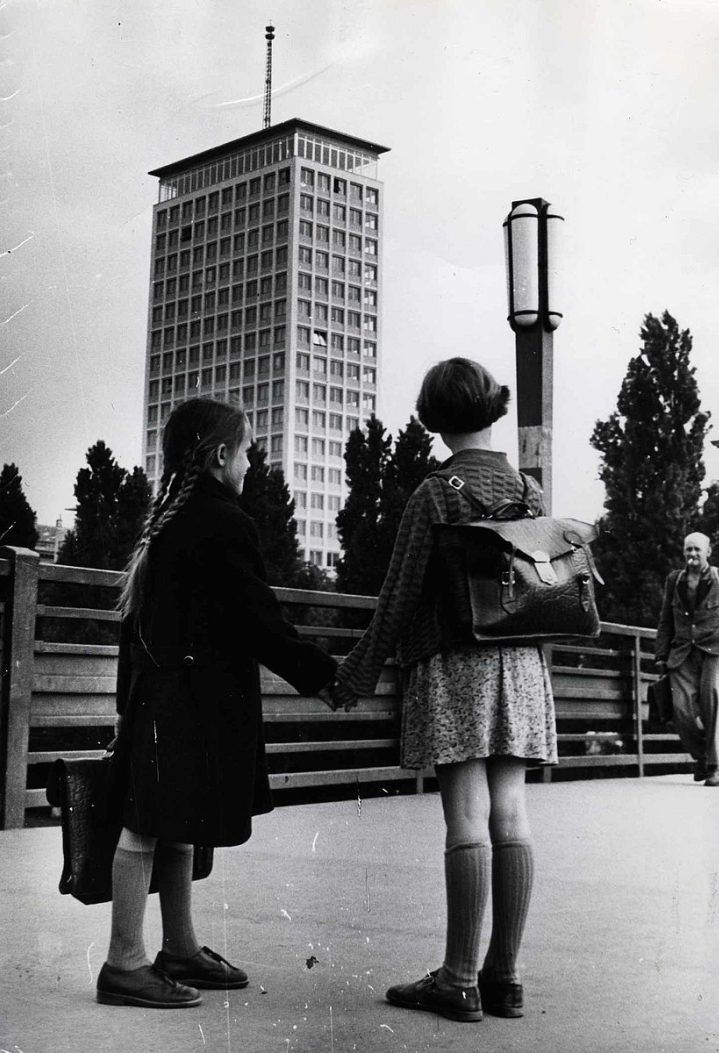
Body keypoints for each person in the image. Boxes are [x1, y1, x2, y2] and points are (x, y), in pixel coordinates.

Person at [333, 357, 557, 1024]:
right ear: (492, 408)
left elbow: (398, 595)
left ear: (431, 419)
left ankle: (457, 978)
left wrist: (357, 670)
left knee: (466, 814)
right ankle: (504, 977)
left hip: (453, 663)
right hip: (518, 666)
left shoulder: (435, 491)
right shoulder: (530, 490)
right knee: (511, 810)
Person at [96, 397, 339, 1009]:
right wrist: (325, 676)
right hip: (188, 697)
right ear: (221, 455)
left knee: (169, 818)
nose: (253, 463)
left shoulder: (169, 520)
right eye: (249, 451)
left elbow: (135, 626)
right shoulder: (222, 521)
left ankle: (178, 947)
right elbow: (259, 621)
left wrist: (128, 705)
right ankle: (124, 961)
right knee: (147, 824)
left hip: (161, 693)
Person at [655, 531, 719, 787]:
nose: (692, 554)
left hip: (714, 650)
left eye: (697, 550)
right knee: (680, 710)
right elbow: (665, 619)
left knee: (712, 700)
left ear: (708, 552)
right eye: (688, 549)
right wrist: (660, 654)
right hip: (682, 652)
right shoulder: (675, 580)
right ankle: (702, 758)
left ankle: (714, 767)